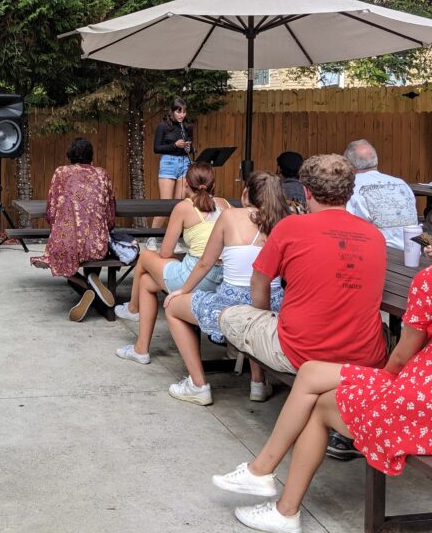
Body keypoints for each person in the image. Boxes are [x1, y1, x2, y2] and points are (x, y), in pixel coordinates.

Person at [213, 184, 432, 533]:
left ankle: (282, 506)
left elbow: (401, 356)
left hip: (428, 406)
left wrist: (383, 379)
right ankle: (261, 475)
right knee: (310, 373)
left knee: (320, 405)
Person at [218, 154, 387, 435]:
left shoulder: (290, 227)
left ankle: (269, 381)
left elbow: (258, 284)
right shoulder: (375, 236)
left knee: (229, 315)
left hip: (300, 351)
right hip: (363, 355)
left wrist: (264, 318)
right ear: (350, 191)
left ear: (306, 191)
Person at [159, 172, 290, 405]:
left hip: (233, 304)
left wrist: (183, 290)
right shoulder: (285, 221)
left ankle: (198, 385)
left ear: (246, 193)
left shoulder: (230, 216)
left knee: (172, 307)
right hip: (274, 302)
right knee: (257, 308)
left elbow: (206, 262)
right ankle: (258, 384)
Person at [115, 162, 229, 361]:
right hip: (224, 275)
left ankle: (133, 309)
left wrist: (171, 262)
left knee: (145, 257)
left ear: (186, 184)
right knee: (147, 283)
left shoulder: (184, 207)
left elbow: (166, 251)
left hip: (197, 275)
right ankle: (140, 349)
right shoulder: (225, 204)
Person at [31, 137, 117, 321]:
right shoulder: (102, 174)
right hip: (97, 246)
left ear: (70, 155)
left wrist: (62, 225)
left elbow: (51, 212)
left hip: (68, 245)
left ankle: (86, 287)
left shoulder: (61, 173)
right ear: (91, 156)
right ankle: (94, 280)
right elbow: (111, 214)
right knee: (92, 249)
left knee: (54, 257)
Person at [343, 139, 418, 249]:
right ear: (375, 160)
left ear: (349, 165)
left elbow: (345, 224)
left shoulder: (351, 186)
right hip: (412, 249)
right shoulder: (401, 183)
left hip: (379, 251)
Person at [149, 97, 194, 249]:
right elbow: (156, 148)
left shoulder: (187, 127)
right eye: (178, 111)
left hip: (184, 163)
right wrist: (174, 145)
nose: (181, 115)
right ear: (173, 111)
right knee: (165, 204)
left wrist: (189, 148)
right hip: (168, 163)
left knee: (179, 204)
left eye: (184, 111)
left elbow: (191, 148)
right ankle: (152, 238)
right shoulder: (163, 126)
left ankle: (172, 240)